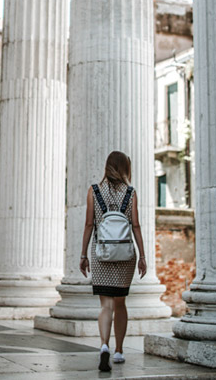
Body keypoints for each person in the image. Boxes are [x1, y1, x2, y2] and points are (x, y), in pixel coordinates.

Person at [79, 151, 147, 372]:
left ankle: (104, 345)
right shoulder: (131, 192)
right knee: (120, 303)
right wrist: (142, 256)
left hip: (102, 253)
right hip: (125, 254)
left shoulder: (94, 191)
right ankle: (119, 350)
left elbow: (89, 224)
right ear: (126, 167)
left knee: (105, 305)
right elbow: (135, 225)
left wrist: (83, 255)